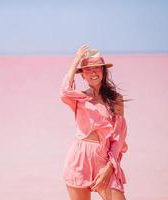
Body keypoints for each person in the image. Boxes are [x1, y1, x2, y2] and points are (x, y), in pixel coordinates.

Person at [60, 44, 129, 200]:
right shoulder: (79, 98)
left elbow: (119, 138)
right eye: (87, 70)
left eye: (97, 68)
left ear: (103, 72)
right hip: (78, 159)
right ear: (82, 75)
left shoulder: (115, 99)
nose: (93, 72)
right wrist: (75, 61)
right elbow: (64, 91)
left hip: (104, 158)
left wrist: (109, 168)